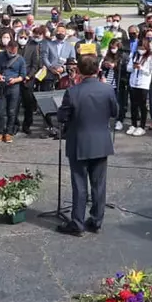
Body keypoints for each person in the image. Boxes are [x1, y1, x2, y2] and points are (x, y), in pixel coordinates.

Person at [56, 54, 118, 236]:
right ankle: (96, 221)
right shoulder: (107, 90)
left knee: (79, 184)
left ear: (79, 71)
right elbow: (115, 112)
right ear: (98, 69)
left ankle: (77, 223)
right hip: (101, 143)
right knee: (99, 185)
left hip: (79, 143)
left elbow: (62, 117)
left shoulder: (73, 92)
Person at [0, 38, 27, 142]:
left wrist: (15, 80)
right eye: (11, 51)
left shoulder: (20, 59)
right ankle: (0, 132)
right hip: (2, 86)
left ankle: (8, 132)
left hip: (14, 86)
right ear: (7, 48)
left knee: (12, 111)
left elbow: (23, 75)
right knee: (0, 111)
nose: (12, 53)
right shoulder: (0, 56)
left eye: (14, 51)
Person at [127, 37, 152, 136]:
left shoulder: (150, 57)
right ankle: (133, 124)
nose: (141, 50)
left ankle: (142, 126)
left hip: (143, 84)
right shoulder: (134, 55)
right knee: (133, 105)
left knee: (142, 105)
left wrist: (141, 68)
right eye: (139, 47)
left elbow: (150, 71)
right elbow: (128, 68)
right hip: (133, 82)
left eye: (143, 48)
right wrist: (133, 67)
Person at [20, 29, 42, 136]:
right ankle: (14, 125)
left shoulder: (33, 47)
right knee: (14, 105)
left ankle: (27, 125)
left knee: (28, 104)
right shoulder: (14, 46)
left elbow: (35, 65)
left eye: (24, 37)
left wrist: (28, 76)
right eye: (20, 36)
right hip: (16, 80)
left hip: (28, 79)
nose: (22, 39)